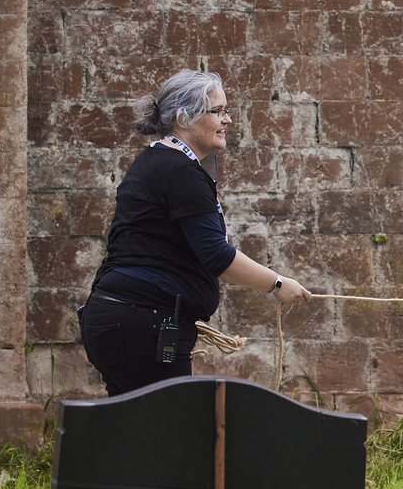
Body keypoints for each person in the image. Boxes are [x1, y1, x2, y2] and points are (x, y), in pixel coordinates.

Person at [80, 68, 311, 396]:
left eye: (226, 111)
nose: (227, 120)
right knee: (172, 436)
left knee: (138, 436)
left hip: (126, 318)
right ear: (183, 118)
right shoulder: (179, 172)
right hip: (143, 323)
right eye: (217, 111)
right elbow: (217, 257)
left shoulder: (158, 162)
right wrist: (277, 284)